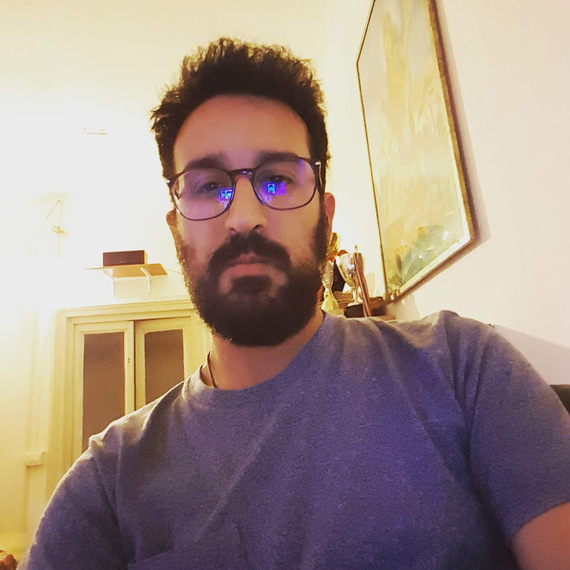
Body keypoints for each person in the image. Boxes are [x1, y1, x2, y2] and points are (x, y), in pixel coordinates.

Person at [22, 38, 570, 569]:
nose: (244, 217)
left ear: (325, 218)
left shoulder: (463, 367)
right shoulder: (108, 482)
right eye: (208, 186)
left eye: (279, 180)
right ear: (176, 229)